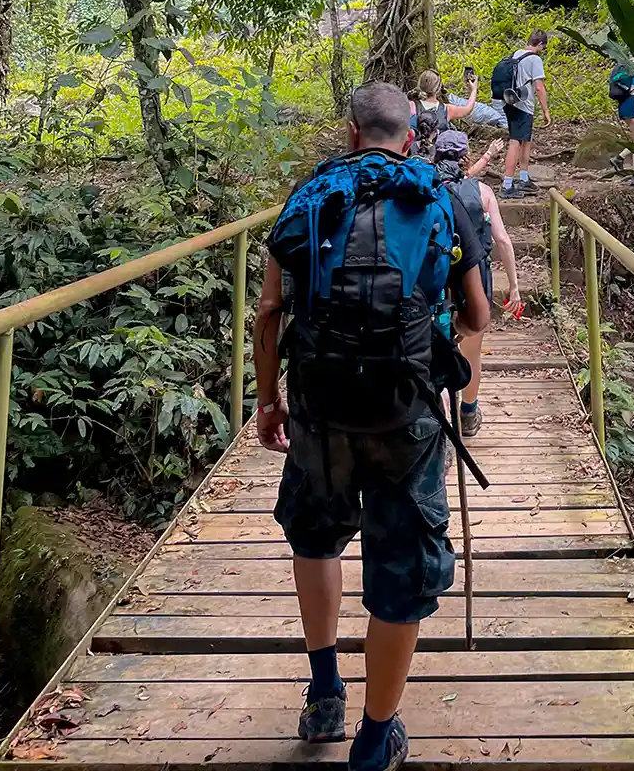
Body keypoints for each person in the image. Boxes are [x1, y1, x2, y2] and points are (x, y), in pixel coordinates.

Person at [253, 81, 490, 771]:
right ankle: (375, 734)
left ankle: (324, 688)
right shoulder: (437, 196)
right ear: (409, 138)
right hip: (407, 413)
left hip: (319, 411)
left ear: (352, 132)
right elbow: (477, 317)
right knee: (401, 568)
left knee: (317, 535)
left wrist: (271, 401)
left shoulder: (311, 197)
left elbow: (269, 312)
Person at [432, 130, 522, 437]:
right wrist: (513, 285)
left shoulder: (428, 190)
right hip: (474, 273)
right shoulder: (482, 192)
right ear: (465, 157)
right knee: (471, 347)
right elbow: (502, 240)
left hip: (436, 276)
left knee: (434, 342)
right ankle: (468, 413)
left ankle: (438, 407)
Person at [496, 30, 551, 200]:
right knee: (515, 142)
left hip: (509, 101)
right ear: (540, 44)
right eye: (543, 46)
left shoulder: (516, 54)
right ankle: (507, 185)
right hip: (523, 106)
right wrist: (546, 111)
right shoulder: (535, 59)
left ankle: (524, 178)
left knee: (525, 140)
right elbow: (539, 87)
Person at [409, 69, 479, 156]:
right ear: (438, 88)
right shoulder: (447, 109)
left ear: (420, 85)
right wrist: (473, 90)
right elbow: (468, 109)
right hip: (438, 160)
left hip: (412, 157)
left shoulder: (410, 106)